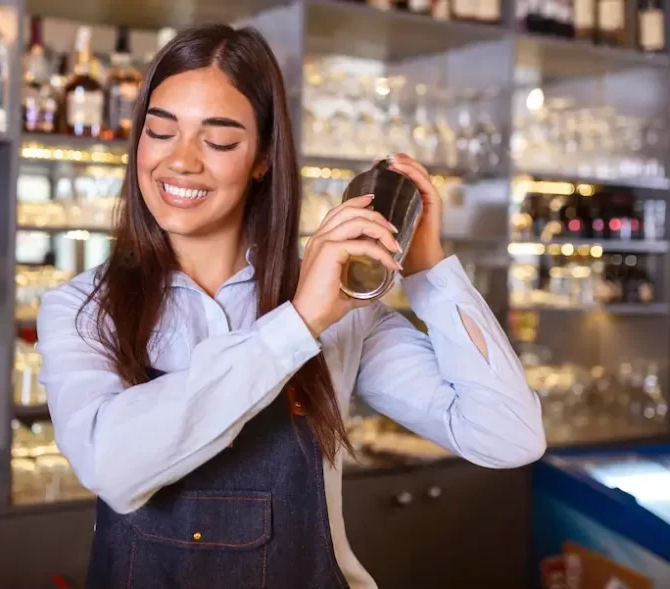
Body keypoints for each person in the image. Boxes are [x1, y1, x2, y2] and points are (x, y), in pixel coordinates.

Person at [36, 24, 546, 589]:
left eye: (219, 141)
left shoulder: (337, 307)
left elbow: (507, 436)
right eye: (160, 132)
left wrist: (429, 270)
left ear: (262, 159)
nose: (180, 161)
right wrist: (296, 324)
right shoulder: (83, 308)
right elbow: (112, 465)